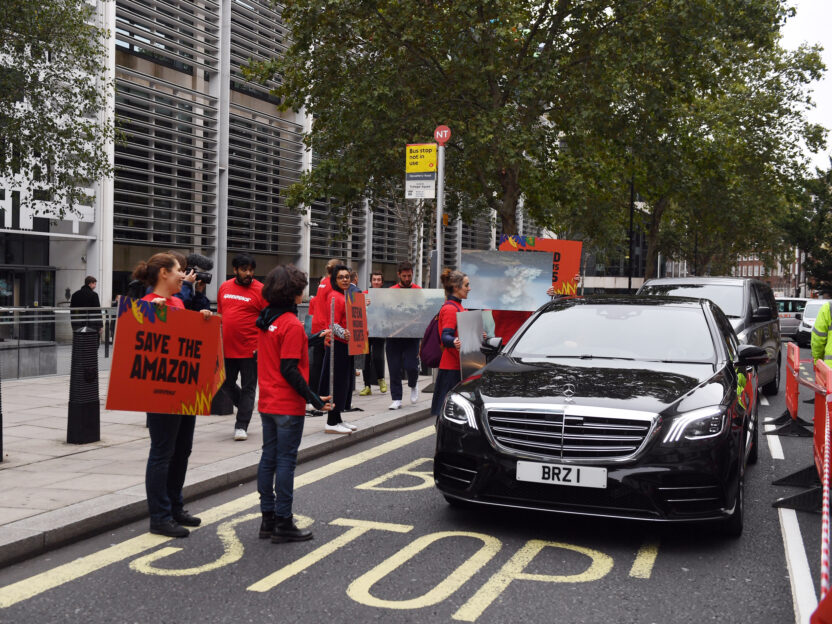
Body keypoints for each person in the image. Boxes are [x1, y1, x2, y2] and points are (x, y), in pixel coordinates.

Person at [133, 252, 213, 538]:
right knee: (162, 452)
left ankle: (176, 506)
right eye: (180, 270)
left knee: (182, 450)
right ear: (164, 273)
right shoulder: (143, 305)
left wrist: (201, 319)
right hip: (160, 393)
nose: (185, 275)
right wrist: (149, 315)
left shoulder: (179, 301)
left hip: (185, 391)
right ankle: (160, 516)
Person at [255, 264, 332, 543]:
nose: (304, 293)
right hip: (287, 406)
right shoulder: (290, 324)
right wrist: (312, 399)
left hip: (267, 402)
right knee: (286, 463)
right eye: (302, 289)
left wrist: (313, 338)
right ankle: (284, 522)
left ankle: (267, 519)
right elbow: (289, 368)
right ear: (294, 294)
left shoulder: (267, 319)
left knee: (268, 459)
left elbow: (282, 353)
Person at [218, 253, 266, 441]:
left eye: (251, 270)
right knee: (225, 383)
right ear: (235, 270)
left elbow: (267, 319)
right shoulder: (224, 287)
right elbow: (222, 314)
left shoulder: (260, 290)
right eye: (244, 270)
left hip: (251, 349)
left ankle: (241, 425)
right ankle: (246, 406)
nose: (248, 274)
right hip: (227, 348)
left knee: (248, 387)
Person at [317, 265, 357, 434]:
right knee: (336, 383)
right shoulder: (334, 296)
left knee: (343, 383)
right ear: (334, 280)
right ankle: (332, 422)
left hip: (345, 345)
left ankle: (337, 418)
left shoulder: (345, 295)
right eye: (341, 277)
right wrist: (343, 333)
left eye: (347, 276)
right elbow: (332, 323)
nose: (345, 279)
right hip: (337, 346)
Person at [430, 268, 471, 418]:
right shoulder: (450, 309)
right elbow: (445, 337)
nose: (469, 288)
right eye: (466, 285)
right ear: (456, 287)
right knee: (447, 412)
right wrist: (454, 341)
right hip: (451, 368)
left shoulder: (459, 307)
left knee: (454, 411)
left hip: (459, 366)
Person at [385, 260, 422, 410]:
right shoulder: (391, 291)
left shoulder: (418, 290)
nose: (407, 279)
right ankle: (396, 398)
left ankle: (413, 383)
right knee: (394, 368)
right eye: (404, 276)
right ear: (399, 275)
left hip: (412, 336)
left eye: (409, 276)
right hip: (393, 335)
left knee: (411, 367)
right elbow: (384, 311)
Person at [308, 258, 343, 398]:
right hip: (325, 328)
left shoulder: (322, 283)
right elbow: (331, 308)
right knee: (325, 365)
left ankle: (314, 394)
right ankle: (322, 394)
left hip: (317, 327)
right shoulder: (332, 286)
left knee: (317, 363)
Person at [360, 271, 387, 395]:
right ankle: (367, 386)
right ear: (371, 281)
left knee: (378, 356)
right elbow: (357, 310)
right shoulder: (364, 294)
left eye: (378, 280)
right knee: (365, 358)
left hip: (379, 329)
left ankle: (381, 380)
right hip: (365, 330)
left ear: (382, 282)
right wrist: (363, 305)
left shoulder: (386, 295)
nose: (376, 282)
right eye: (374, 279)